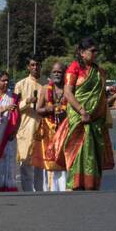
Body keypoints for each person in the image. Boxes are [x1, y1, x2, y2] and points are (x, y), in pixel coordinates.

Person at [57, 38, 114, 190]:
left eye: (96, 51)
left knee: (93, 149)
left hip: (96, 118)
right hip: (78, 116)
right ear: (82, 53)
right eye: (92, 51)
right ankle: (75, 183)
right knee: (78, 148)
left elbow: (101, 95)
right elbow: (68, 93)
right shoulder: (74, 68)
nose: (95, 54)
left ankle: (91, 183)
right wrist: (82, 111)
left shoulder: (97, 71)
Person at [34, 62, 69, 192]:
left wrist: (65, 111)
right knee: (49, 162)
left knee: (64, 160)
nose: (56, 74)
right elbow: (38, 109)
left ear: (64, 74)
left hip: (65, 129)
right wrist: (49, 109)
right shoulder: (44, 89)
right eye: (54, 72)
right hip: (49, 131)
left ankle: (64, 188)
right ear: (50, 74)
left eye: (59, 72)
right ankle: (50, 190)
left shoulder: (69, 89)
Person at [14, 60, 44, 192]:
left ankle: (40, 191)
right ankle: (27, 193)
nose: (35, 67)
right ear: (28, 67)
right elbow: (14, 108)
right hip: (25, 128)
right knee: (25, 162)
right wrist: (27, 101)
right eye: (32, 65)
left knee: (41, 163)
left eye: (37, 64)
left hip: (42, 127)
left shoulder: (46, 84)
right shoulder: (20, 85)